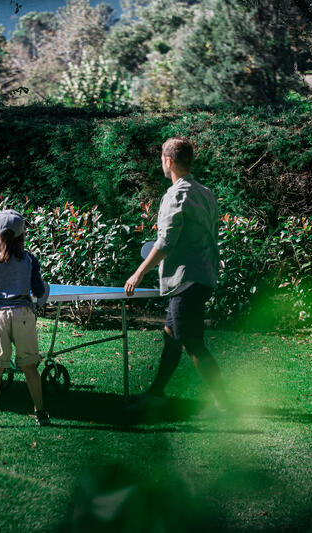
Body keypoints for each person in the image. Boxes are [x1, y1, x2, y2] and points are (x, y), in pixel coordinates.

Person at [124, 138, 230, 411]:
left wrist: (138, 273)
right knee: (172, 336)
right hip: (202, 276)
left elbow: (165, 243)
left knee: (192, 342)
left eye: (162, 159)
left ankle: (225, 403)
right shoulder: (205, 192)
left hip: (187, 279)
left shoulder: (176, 195)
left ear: (168, 161)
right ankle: (157, 393)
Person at [0, 209, 51, 427]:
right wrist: (42, 291)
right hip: (23, 314)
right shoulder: (29, 260)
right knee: (29, 366)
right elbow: (37, 290)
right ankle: (40, 413)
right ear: (22, 235)